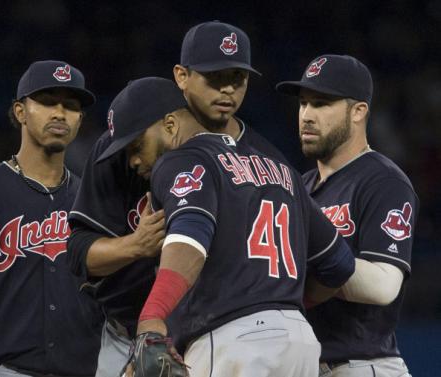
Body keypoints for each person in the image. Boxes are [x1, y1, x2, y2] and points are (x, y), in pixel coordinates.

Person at [66, 20, 288, 376]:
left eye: (237, 77)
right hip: (125, 333)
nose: (226, 89)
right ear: (182, 76)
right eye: (213, 77)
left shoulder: (264, 159)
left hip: (219, 334)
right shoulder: (129, 141)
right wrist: (134, 246)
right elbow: (77, 252)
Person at [104, 76, 356, 377]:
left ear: (170, 125)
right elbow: (339, 264)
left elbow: (191, 237)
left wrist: (151, 318)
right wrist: (277, 301)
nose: (132, 161)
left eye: (136, 145)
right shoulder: (280, 168)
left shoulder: (182, 160)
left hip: (234, 343)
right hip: (298, 341)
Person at [0, 60, 102, 377]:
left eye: (70, 107)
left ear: (80, 120)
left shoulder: (93, 202)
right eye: (46, 102)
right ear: (20, 112)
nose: (59, 113)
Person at [276, 54, 417, 377]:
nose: (307, 116)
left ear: (358, 111)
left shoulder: (383, 181)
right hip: (306, 365)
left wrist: (313, 263)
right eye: (303, 104)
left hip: (362, 365)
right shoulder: (297, 186)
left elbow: (383, 285)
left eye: (322, 104)